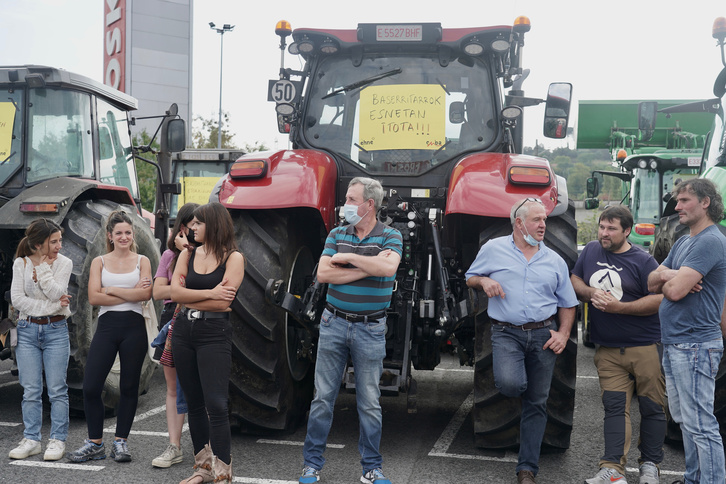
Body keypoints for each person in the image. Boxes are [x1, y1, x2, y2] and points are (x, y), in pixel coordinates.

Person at [465, 197, 578, 484]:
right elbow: (470, 277)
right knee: (511, 384)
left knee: (538, 403)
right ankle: (526, 392)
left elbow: (567, 303)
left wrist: (563, 334)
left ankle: (527, 468)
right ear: (519, 222)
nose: (543, 225)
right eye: (537, 220)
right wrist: (484, 282)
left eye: (545, 220)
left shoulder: (554, 259)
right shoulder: (493, 249)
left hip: (543, 335)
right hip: (506, 334)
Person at [299, 177, 402, 484]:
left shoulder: (391, 235)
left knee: (369, 402)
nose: (346, 205)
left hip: (370, 329)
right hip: (333, 323)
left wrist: (347, 260)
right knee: (322, 399)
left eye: (352, 199)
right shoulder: (336, 233)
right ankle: (311, 465)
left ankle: (371, 468)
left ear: (369, 205)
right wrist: (368, 266)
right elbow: (324, 272)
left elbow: (388, 269)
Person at [570, 206, 665, 484]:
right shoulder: (590, 251)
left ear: (627, 231)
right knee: (614, 408)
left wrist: (619, 308)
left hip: (645, 347)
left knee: (652, 408)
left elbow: (660, 300)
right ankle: (612, 469)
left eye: (611, 229)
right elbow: (575, 278)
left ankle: (650, 466)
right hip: (608, 350)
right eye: (601, 227)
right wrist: (589, 292)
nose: (604, 233)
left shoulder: (644, 261)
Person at [647, 179, 726, 484]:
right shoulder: (682, 242)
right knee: (687, 422)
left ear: (705, 202)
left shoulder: (709, 241)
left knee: (701, 424)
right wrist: (672, 273)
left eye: (684, 200)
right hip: (677, 343)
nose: (677, 206)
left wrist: (670, 279)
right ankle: (694, 479)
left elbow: (676, 292)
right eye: (677, 201)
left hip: (694, 345)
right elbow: (652, 281)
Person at [67, 210, 153, 463]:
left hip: (134, 328)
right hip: (106, 327)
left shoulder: (143, 261)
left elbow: (145, 296)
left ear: (133, 234)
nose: (124, 237)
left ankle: (121, 442)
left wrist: (111, 289)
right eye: (119, 233)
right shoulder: (99, 262)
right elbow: (94, 298)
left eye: (128, 232)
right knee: (92, 386)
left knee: (128, 387)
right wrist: (130, 291)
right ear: (110, 236)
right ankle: (95, 444)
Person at [171, 202, 244, 484]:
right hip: (183, 330)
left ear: (214, 225)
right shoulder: (187, 254)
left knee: (216, 403)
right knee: (194, 403)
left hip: (214, 332)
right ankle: (202, 469)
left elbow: (226, 301)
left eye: (199, 223)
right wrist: (210, 293)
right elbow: (176, 294)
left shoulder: (233, 258)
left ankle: (223, 473)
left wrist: (195, 294)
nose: (192, 227)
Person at [9, 219, 72, 461]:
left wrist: (44, 269)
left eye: (60, 240)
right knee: (31, 390)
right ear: (38, 244)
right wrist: (50, 306)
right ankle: (32, 439)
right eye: (53, 241)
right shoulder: (20, 263)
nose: (59, 246)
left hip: (56, 330)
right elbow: (17, 300)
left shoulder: (64, 263)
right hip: (26, 331)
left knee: (57, 389)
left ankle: (57, 440)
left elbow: (58, 292)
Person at [150, 202, 199, 468]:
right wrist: (182, 254)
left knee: (201, 388)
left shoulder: (208, 254)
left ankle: (206, 447)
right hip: (173, 318)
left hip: (201, 318)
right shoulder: (170, 255)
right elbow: (158, 293)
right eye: (195, 224)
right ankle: (174, 446)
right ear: (183, 228)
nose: (199, 229)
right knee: (172, 388)